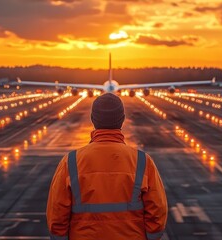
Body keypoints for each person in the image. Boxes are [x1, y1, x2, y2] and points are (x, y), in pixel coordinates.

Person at [47, 93, 168, 240]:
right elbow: (157, 211)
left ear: (93, 119)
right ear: (122, 120)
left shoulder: (71, 161)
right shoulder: (143, 161)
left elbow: (57, 214)